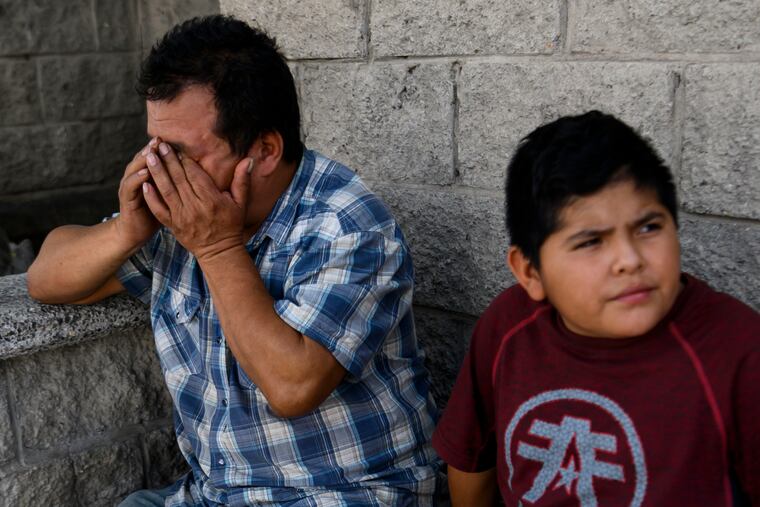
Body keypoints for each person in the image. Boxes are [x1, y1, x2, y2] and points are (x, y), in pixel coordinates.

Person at [27, 15, 440, 506]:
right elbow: (45, 279)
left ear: (264, 150)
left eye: (180, 153)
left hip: (344, 494)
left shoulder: (347, 224)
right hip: (214, 495)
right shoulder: (178, 214)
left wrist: (217, 249)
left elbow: (293, 386)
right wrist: (126, 231)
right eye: (154, 146)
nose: (160, 169)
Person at [432, 111, 760, 506]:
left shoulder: (740, 352)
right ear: (530, 272)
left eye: (649, 227)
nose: (629, 260)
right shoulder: (509, 327)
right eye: (590, 242)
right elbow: (471, 456)